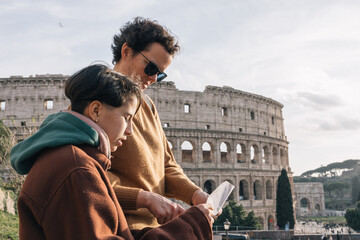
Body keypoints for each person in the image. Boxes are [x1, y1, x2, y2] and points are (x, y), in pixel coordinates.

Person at [10, 64, 214, 239]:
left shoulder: (71, 159)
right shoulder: (77, 170)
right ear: (96, 110)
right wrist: (192, 225)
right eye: (126, 117)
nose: (130, 130)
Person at [109, 17, 210, 230]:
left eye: (160, 74)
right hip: (119, 227)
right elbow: (85, 176)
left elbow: (167, 164)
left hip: (151, 228)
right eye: (151, 67)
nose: (153, 78)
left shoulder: (148, 106)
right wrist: (142, 198)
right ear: (126, 51)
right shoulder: (95, 99)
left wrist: (195, 194)